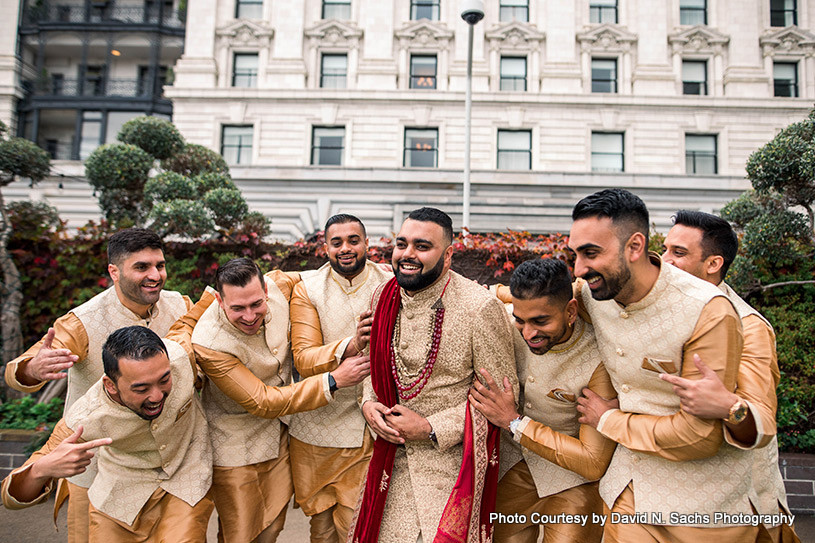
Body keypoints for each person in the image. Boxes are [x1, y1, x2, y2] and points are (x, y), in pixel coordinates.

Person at [568, 189, 756, 541]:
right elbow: (535, 300)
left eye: (591, 253)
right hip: (624, 494)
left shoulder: (707, 310)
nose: (579, 269)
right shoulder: (595, 291)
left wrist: (607, 420)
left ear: (635, 247)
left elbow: (698, 437)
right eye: (575, 254)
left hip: (701, 512)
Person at [3, 227, 192, 543]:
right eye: (142, 267)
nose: (155, 275)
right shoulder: (82, 321)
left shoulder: (181, 306)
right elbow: (19, 372)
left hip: (166, 476)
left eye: (159, 265)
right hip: (96, 477)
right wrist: (34, 367)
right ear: (114, 272)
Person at [349, 207, 518, 543]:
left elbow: (501, 401)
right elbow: (375, 365)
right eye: (402, 244)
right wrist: (368, 403)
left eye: (422, 246)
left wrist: (429, 428)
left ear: (449, 254)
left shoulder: (479, 307)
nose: (407, 255)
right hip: (388, 467)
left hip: (449, 474)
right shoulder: (383, 296)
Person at [191, 258, 370, 543]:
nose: (249, 316)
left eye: (256, 304)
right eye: (237, 308)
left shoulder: (278, 284)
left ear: (265, 288)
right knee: (241, 534)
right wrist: (333, 379)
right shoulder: (209, 343)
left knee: (272, 528)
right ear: (219, 300)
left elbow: (320, 274)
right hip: (234, 443)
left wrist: (377, 269)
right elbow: (263, 401)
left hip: (280, 433)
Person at [661, 210, 799, 543]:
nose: (664, 261)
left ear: (713, 264)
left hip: (730, 510)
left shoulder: (749, 326)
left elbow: (762, 421)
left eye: (678, 253)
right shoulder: (657, 310)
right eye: (664, 249)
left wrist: (730, 407)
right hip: (657, 496)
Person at [2, 326, 214, 542]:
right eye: (141, 389)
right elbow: (10, 497)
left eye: (164, 380)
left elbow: (211, 308)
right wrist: (41, 469)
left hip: (187, 481)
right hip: (119, 497)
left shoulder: (181, 354)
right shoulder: (85, 418)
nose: (157, 396)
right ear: (110, 386)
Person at [469, 258, 616, 543]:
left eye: (540, 321)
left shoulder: (600, 359)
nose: (528, 333)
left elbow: (593, 461)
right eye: (520, 320)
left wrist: (514, 422)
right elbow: (487, 293)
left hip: (573, 481)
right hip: (510, 470)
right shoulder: (506, 320)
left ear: (571, 311)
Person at [289, 214, 392, 542]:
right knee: (320, 530)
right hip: (317, 429)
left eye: (353, 240)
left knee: (358, 527)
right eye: (337, 243)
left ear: (367, 244)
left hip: (370, 429)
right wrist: (351, 344)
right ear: (326, 248)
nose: (345, 248)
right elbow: (303, 358)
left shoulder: (389, 282)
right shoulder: (308, 289)